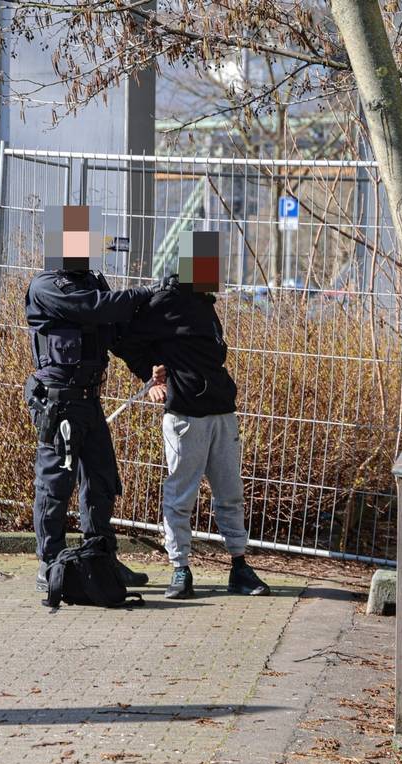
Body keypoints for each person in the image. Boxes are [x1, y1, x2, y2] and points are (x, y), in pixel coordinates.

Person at [114, 230, 270, 599]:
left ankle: (239, 566)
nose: (215, 270)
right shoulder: (166, 300)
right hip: (185, 416)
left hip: (221, 412)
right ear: (189, 265)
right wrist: (148, 377)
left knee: (230, 493)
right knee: (180, 496)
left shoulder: (204, 302)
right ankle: (180, 568)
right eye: (207, 263)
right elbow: (122, 339)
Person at [26, 204, 155, 602]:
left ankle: (102, 558)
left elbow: (114, 333)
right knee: (55, 485)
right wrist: (142, 293)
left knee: (100, 481)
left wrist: (149, 370)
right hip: (60, 403)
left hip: (89, 401)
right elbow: (96, 308)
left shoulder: (93, 281)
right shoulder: (46, 286)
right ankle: (50, 564)